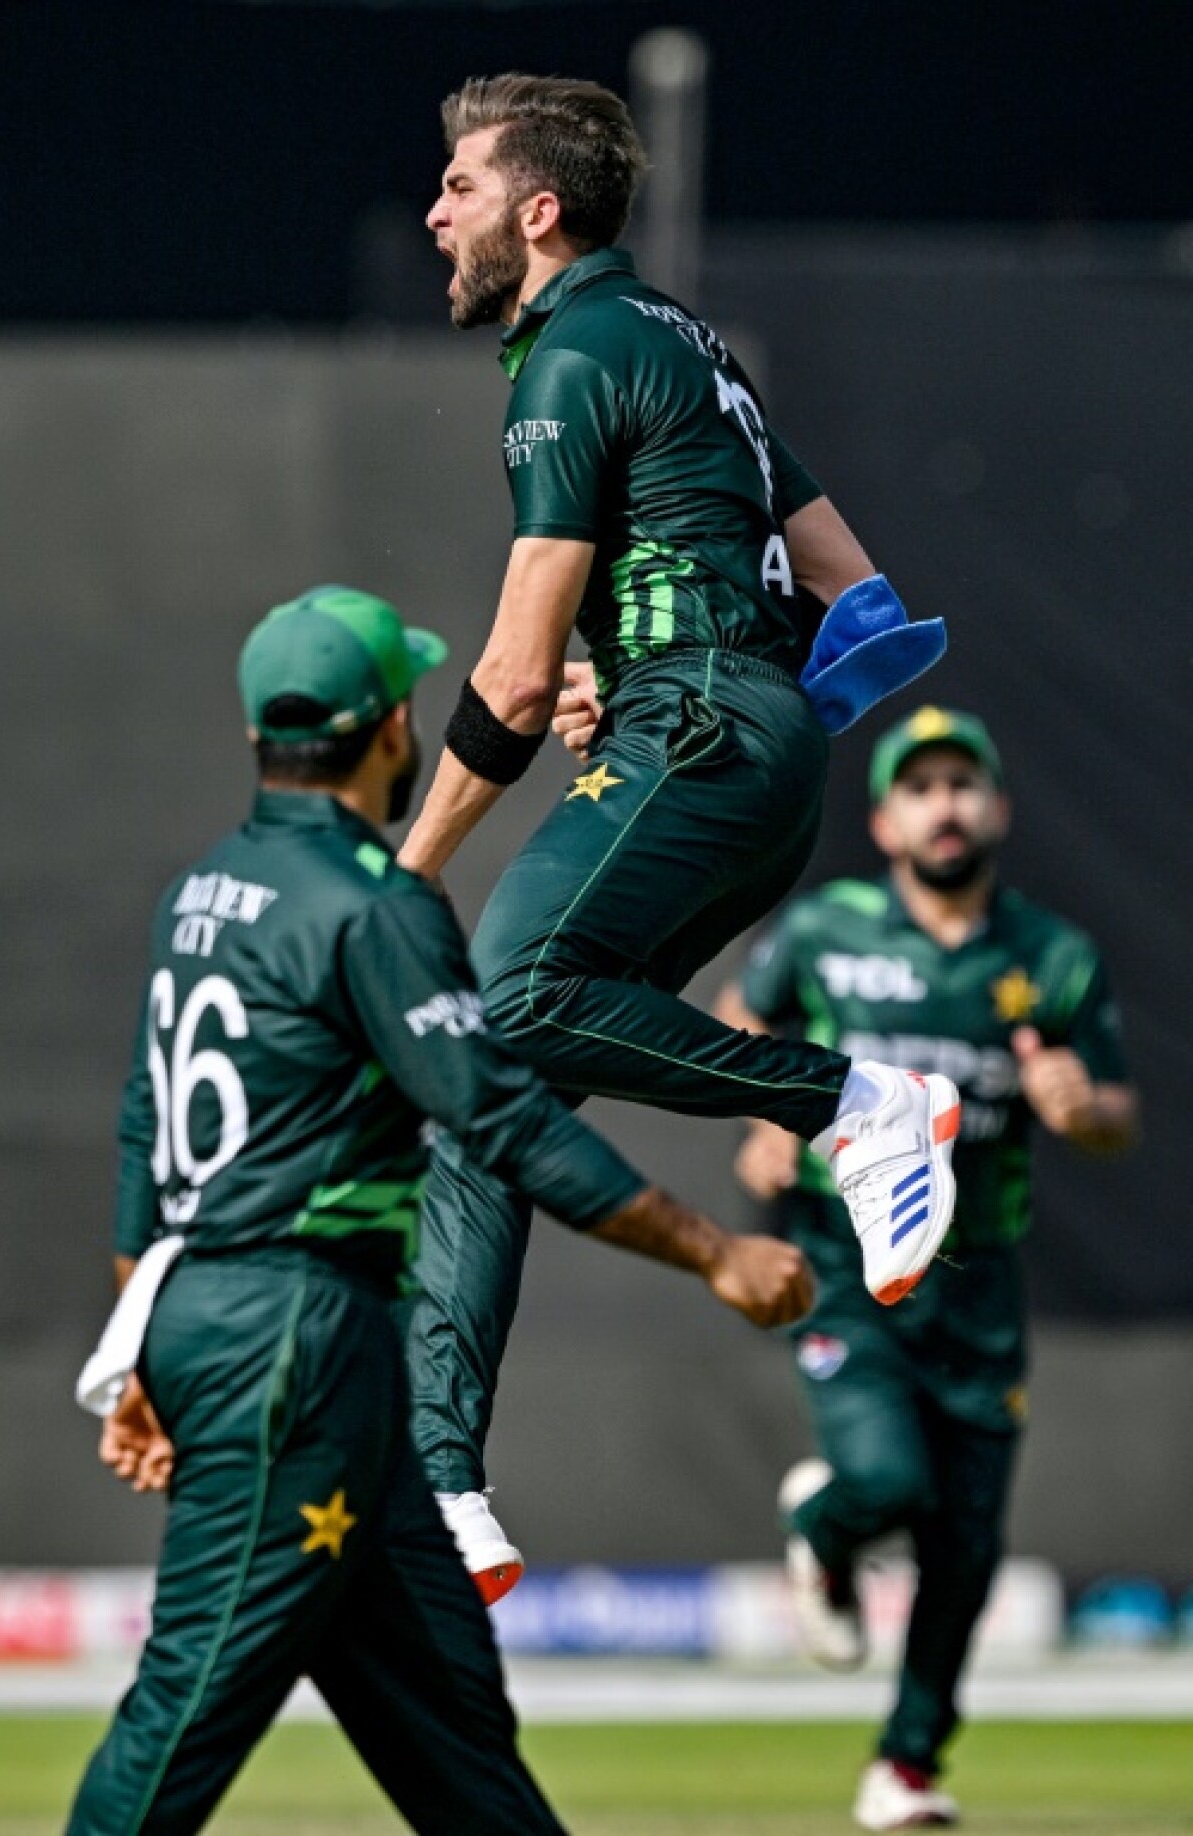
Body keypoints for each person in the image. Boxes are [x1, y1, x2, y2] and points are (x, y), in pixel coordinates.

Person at [66, 585, 818, 1836]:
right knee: (183, 1707)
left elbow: (147, 1136)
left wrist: (140, 1341)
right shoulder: (374, 905)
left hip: (268, 1338)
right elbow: (506, 1120)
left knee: (460, 1742)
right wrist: (714, 1251)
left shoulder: (201, 892)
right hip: (295, 1348)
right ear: (391, 733)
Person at [399, 71, 960, 1597]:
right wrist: (667, 670)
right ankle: (440, 1485)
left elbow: (512, 678)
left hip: (702, 733)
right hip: (744, 748)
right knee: (485, 1086)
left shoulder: (569, 350)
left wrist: (401, 876)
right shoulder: (689, 350)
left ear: (539, 208)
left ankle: (854, 1103)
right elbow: (864, 597)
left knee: (498, 988)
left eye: (458, 185)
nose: (435, 212)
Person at [716, 704, 1139, 1832]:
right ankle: (829, 1528)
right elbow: (737, 1022)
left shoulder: (1051, 956)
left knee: (967, 1538)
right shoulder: (828, 931)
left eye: (964, 785)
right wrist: (766, 1112)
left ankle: (906, 1764)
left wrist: (1079, 1107)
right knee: (891, 1482)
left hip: (981, 1279)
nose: (944, 805)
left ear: (996, 808)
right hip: (847, 1263)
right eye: (922, 787)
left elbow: (1116, 1113)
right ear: (885, 817)